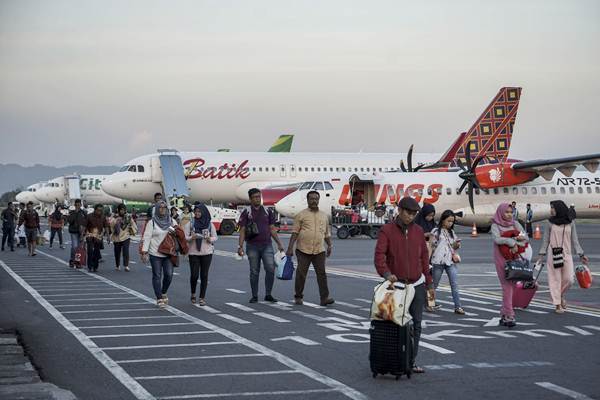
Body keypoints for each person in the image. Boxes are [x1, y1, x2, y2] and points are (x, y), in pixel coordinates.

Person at [374, 197, 431, 374]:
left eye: (414, 214)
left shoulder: (419, 231)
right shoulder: (387, 230)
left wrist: (429, 284)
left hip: (417, 284)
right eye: (408, 213)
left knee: (417, 324)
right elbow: (379, 256)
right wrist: (386, 273)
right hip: (396, 286)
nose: (411, 217)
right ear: (399, 210)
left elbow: (424, 258)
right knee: (393, 324)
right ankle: (393, 359)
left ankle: (411, 361)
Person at [537, 200, 588, 314]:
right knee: (555, 279)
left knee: (569, 279)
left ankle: (559, 295)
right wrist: (541, 255)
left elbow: (575, 240)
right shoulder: (550, 223)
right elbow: (545, 241)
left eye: (553, 208)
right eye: (551, 208)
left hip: (567, 253)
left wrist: (581, 254)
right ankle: (557, 304)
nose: (551, 210)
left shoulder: (570, 222)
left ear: (559, 208)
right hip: (553, 253)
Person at [286, 190, 334, 306]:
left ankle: (324, 298)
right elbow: (295, 233)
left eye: (316, 199)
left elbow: (326, 234)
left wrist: (330, 245)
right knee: (301, 274)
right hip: (303, 250)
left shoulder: (324, 216)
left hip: (319, 250)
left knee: (322, 274)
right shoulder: (301, 215)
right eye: (311, 199)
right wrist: (290, 248)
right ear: (307, 200)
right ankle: (298, 296)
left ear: (318, 200)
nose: (314, 201)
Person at [238, 188, 285, 303]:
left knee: (270, 269)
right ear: (250, 199)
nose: (257, 199)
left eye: (259, 196)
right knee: (254, 271)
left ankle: (268, 294)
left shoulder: (267, 211)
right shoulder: (246, 212)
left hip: (267, 245)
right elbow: (242, 229)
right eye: (255, 197)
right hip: (252, 245)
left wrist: (279, 243)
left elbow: (272, 229)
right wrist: (240, 246)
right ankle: (254, 295)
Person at [491, 203, 528, 327]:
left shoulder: (515, 224)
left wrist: (517, 244)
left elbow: (525, 238)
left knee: (510, 286)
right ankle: (509, 315)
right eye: (506, 212)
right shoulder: (495, 225)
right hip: (501, 258)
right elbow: (496, 239)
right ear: (501, 212)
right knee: (506, 286)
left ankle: (504, 313)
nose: (509, 214)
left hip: (514, 257)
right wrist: (511, 241)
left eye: (511, 212)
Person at [141, 200, 177, 309]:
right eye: (160, 207)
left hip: (168, 253)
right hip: (155, 252)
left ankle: (163, 291)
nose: (162, 209)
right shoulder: (152, 222)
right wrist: (144, 252)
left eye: (164, 207)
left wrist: (175, 233)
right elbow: (147, 238)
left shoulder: (172, 221)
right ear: (156, 209)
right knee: (157, 275)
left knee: (169, 275)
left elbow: (179, 234)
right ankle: (159, 298)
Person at [430, 210, 464, 314]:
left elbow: (453, 247)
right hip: (438, 261)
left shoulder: (452, 232)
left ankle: (458, 307)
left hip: (450, 261)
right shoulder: (435, 231)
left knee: (454, 284)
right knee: (434, 284)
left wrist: (457, 245)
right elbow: (431, 246)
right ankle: (429, 303)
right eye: (448, 221)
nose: (450, 223)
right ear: (443, 220)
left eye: (452, 221)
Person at [184, 203, 217, 305]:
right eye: (196, 212)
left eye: (199, 212)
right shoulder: (190, 223)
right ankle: (193, 293)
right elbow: (185, 237)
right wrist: (191, 238)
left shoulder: (209, 224)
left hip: (207, 252)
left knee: (204, 275)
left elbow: (215, 237)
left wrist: (209, 238)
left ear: (204, 212)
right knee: (194, 275)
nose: (197, 213)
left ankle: (202, 297)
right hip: (193, 252)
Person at [110, 204, 137, 271]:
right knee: (117, 252)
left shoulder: (128, 217)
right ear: (118, 210)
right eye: (121, 210)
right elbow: (110, 224)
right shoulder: (114, 216)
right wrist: (116, 220)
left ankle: (126, 265)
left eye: (124, 210)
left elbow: (133, 224)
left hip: (126, 236)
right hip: (117, 237)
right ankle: (117, 265)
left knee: (126, 251)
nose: (122, 211)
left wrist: (133, 230)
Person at [85, 204, 108, 272]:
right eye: (98, 210)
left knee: (97, 251)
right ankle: (90, 266)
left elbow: (106, 226)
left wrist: (108, 236)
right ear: (95, 210)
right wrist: (82, 235)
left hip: (98, 236)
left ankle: (95, 266)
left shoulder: (103, 217)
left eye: (101, 210)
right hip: (90, 235)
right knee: (90, 251)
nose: (99, 212)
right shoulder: (89, 216)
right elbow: (84, 226)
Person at [67, 199, 87, 267]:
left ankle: (78, 262)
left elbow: (86, 222)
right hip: (74, 231)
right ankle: (72, 260)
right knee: (74, 246)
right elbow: (69, 221)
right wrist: (75, 213)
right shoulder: (72, 212)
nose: (78, 206)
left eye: (79, 205)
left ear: (81, 205)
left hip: (81, 232)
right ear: (75, 205)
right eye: (76, 205)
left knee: (80, 247)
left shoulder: (83, 212)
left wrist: (85, 231)